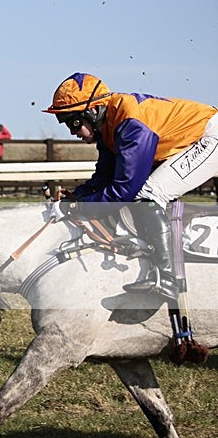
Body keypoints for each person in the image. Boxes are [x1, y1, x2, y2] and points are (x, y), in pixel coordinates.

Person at [44, 72, 218, 301]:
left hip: (210, 135)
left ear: (93, 111)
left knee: (149, 194)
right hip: (200, 134)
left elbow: (124, 191)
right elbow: (104, 178)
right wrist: (75, 197)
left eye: (73, 122)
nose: (72, 132)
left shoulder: (131, 124)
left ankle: (167, 279)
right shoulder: (109, 126)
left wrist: (76, 208)